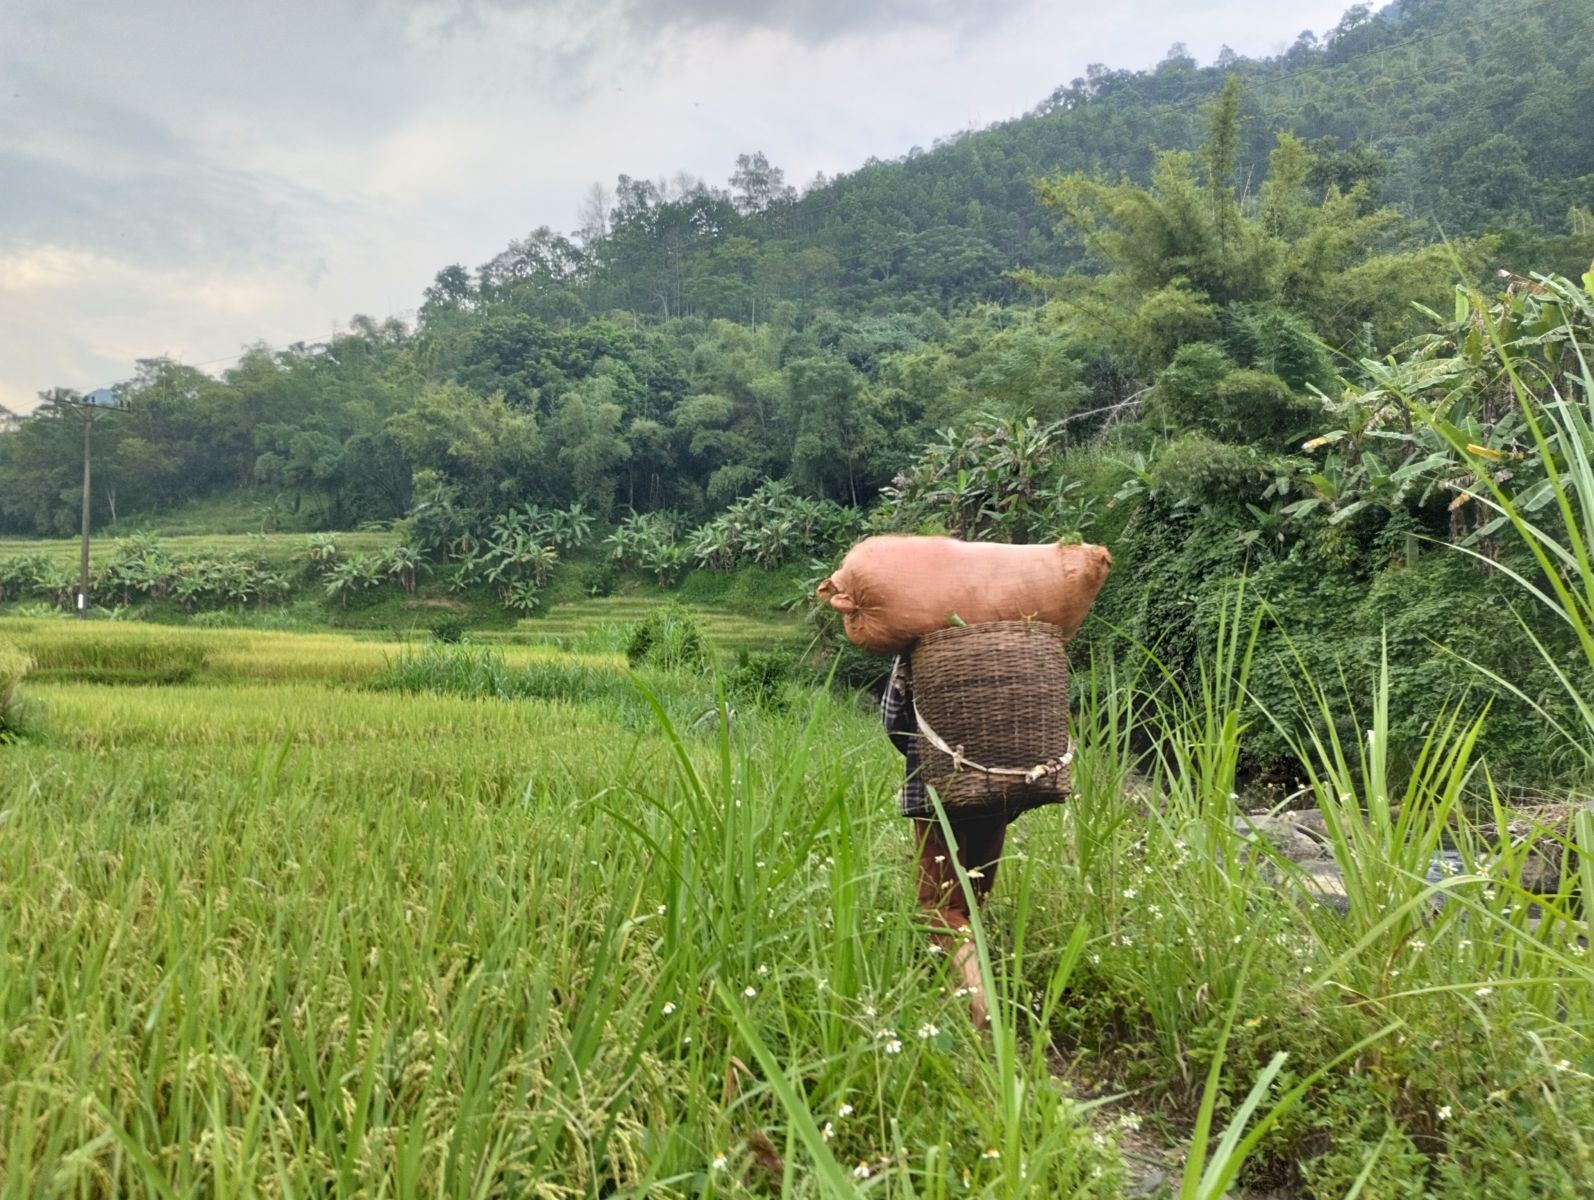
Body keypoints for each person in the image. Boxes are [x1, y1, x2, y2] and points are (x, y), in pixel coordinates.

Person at [881, 654, 1011, 1026]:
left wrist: (928, 755)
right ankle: (957, 986)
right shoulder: (1008, 638)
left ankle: (979, 1004)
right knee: (973, 895)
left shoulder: (924, 644)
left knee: (942, 907)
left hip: (936, 790)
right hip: (1001, 787)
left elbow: (893, 720)